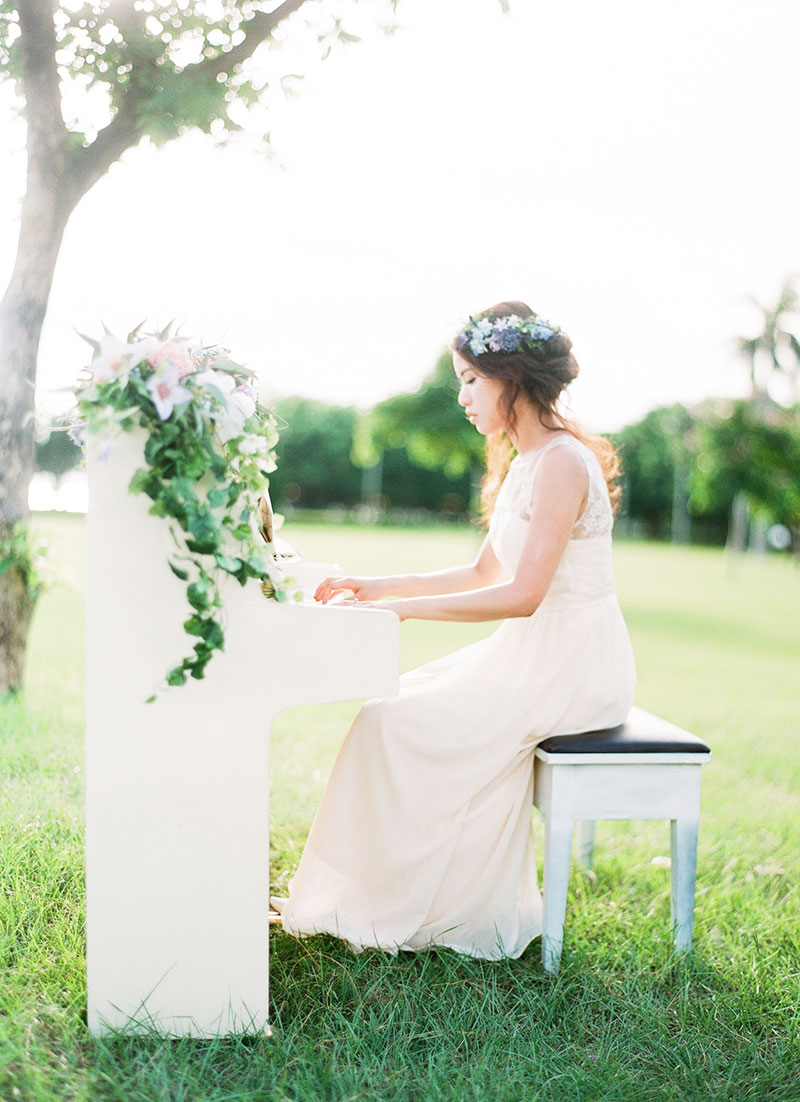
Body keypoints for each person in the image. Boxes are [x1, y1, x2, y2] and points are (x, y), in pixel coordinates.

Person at [273, 300, 636, 959]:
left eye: (471, 379)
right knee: (389, 711)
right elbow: (482, 570)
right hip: (534, 652)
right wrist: (378, 586)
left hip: (572, 663)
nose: (463, 396)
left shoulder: (560, 461)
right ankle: (372, 898)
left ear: (512, 376)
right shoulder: (525, 460)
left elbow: (523, 595)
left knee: (397, 725)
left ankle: (397, 906)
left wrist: (403, 612)